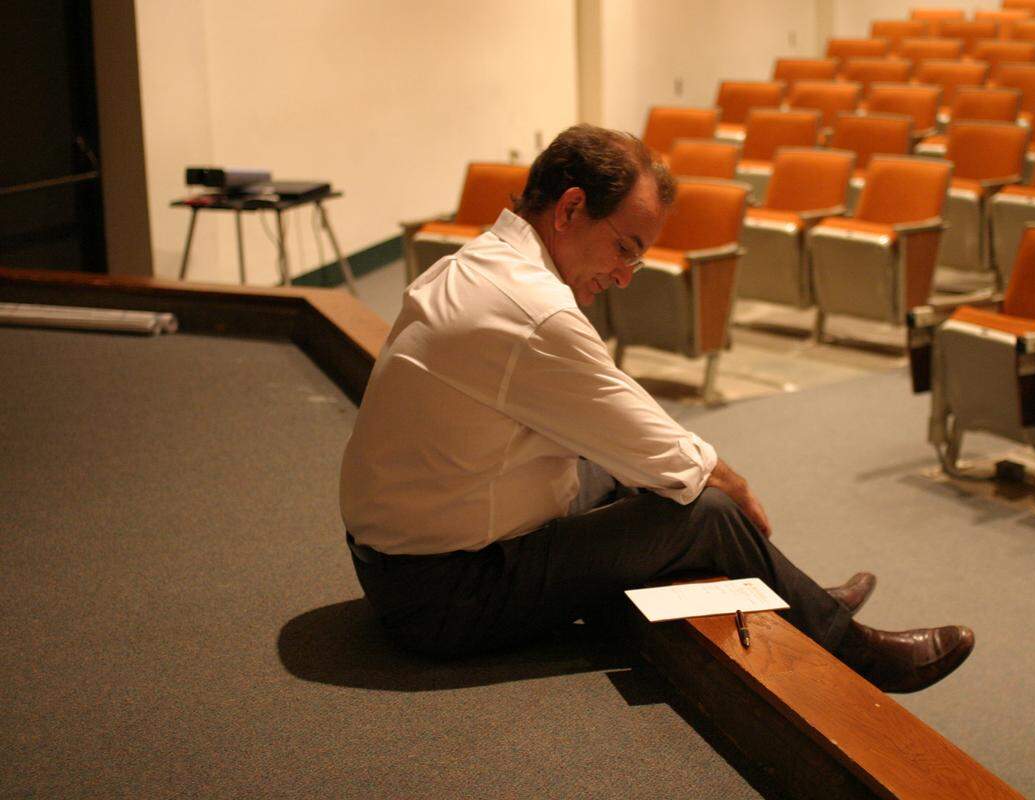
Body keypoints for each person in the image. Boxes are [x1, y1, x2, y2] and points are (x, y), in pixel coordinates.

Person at [339, 124, 973, 693]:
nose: (626, 275)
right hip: (444, 599)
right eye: (625, 248)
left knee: (622, 473)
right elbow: (667, 453)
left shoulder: (478, 261)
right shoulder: (532, 310)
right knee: (707, 511)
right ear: (570, 209)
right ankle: (855, 652)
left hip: (397, 568)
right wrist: (738, 490)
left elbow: (624, 431)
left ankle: (797, 597)